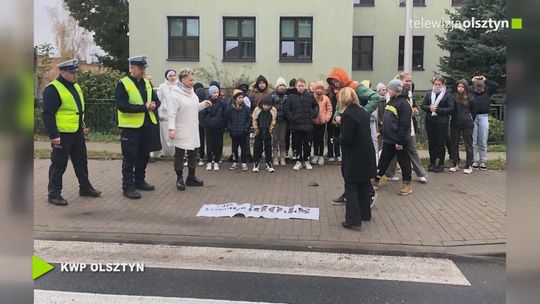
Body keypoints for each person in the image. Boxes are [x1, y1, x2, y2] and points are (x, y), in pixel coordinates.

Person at [42, 59, 101, 205]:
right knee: (59, 164)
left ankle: (85, 187)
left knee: (81, 161)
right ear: (62, 72)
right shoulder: (53, 89)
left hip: (76, 132)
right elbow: (48, 114)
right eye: (71, 72)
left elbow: (77, 110)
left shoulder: (75, 86)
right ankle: (54, 194)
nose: (75, 75)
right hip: (62, 134)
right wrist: (54, 135)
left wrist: (82, 126)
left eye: (75, 72)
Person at [326, 67, 382, 205]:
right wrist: (336, 117)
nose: (335, 84)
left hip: (358, 129)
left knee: (355, 164)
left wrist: (363, 112)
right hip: (347, 127)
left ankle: (368, 193)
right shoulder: (340, 92)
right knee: (347, 165)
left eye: (336, 80)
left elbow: (375, 97)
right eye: (333, 81)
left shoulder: (357, 87)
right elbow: (339, 109)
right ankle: (350, 193)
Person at [115, 56, 160, 199]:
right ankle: (127, 187)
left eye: (144, 68)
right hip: (131, 127)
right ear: (132, 68)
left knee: (144, 155)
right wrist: (143, 107)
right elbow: (122, 105)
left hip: (146, 125)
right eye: (141, 68)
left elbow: (156, 100)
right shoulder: (123, 84)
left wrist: (154, 105)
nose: (143, 71)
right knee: (130, 158)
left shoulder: (147, 82)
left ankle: (139, 180)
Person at [332, 87, 376, 229]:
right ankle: (365, 214)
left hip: (354, 157)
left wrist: (336, 140)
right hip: (367, 154)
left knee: (351, 187)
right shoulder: (362, 111)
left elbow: (348, 140)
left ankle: (353, 220)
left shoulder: (348, 115)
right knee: (363, 185)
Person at [167, 68, 212, 191]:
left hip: (192, 128)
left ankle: (191, 177)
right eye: (190, 79)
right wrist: (171, 129)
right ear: (183, 79)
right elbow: (172, 113)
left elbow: (192, 108)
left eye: (193, 79)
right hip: (180, 128)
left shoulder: (192, 93)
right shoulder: (174, 94)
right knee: (180, 154)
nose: (193, 82)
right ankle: (179, 178)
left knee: (194, 152)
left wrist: (203, 105)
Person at [385, 72, 428, 183]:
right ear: (401, 81)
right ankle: (389, 173)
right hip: (396, 128)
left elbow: (412, 107)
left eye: (410, 81)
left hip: (408, 127)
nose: (409, 83)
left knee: (412, 150)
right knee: (393, 152)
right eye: (407, 81)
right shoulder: (393, 92)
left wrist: (414, 112)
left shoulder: (409, 93)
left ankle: (420, 173)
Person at [372, 79, 413, 196]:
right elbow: (387, 120)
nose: (387, 91)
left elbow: (404, 124)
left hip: (400, 141)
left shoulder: (404, 104)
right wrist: (382, 132)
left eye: (389, 89)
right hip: (389, 139)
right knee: (384, 160)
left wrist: (399, 142)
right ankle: (376, 180)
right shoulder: (391, 102)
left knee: (404, 161)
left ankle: (407, 183)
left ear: (396, 90)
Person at [284, 78, 319, 170]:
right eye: (299, 86)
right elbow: (286, 109)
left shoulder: (309, 96)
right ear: (296, 86)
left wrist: (313, 114)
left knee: (307, 144)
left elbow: (315, 106)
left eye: (302, 86)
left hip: (308, 125)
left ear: (305, 86)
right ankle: (298, 161)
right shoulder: (291, 97)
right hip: (296, 126)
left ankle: (307, 160)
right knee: (297, 144)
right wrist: (292, 118)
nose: (301, 87)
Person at [421, 76, 454, 173]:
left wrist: (438, 110)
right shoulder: (429, 93)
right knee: (432, 143)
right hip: (430, 121)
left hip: (442, 122)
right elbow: (423, 106)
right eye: (435, 84)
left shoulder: (447, 95)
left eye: (439, 84)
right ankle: (432, 162)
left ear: (443, 85)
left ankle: (440, 164)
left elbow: (451, 108)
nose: (437, 86)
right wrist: (429, 108)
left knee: (440, 143)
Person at [471, 75, 499, 170]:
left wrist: (486, 79)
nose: (479, 90)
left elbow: (496, 85)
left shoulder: (487, 91)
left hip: (483, 117)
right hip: (473, 117)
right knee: (473, 141)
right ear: (474, 86)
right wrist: (472, 80)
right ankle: (473, 160)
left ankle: (483, 161)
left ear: (483, 86)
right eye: (477, 88)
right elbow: (461, 87)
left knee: (483, 140)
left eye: (481, 88)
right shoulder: (471, 91)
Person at [449, 79, 476, 174]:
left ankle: (469, 165)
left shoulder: (470, 98)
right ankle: (455, 163)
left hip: (467, 123)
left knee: (468, 145)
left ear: (465, 87)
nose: (460, 88)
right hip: (455, 122)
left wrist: (469, 118)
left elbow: (474, 112)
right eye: (458, 86)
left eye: (462, 87)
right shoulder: (453, 97)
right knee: (454, 144)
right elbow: (451, 109)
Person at [151, 69, 177, 159]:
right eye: (170, 76)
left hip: (175, 114)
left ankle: (175, 152)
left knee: (174, 134)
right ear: (166, 77)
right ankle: (165, 152)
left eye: (174, 75)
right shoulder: (162, 86)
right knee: (165, 134)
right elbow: (159, 100)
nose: (172, 77)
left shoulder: (179, 86)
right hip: (164, 114)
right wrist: (159, 113)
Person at [202, 85, 227, 171]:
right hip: (209, 127)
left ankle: (216, 162)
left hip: (219, 127)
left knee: (218, 145)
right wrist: (206, 123)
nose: (216, 94)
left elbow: (225, 114)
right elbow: (203, 114)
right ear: (210, 93)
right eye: (214, 93)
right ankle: (209, 162)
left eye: (217, 92)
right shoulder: (206, 102)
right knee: (209, 145)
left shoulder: (222, 103)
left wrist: (223, 124)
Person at [227, 89, 251, 171]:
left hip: (243, 133)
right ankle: (235, 162)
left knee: (244, 149)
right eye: (239, 97)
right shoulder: (230, 109)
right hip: (234, 133)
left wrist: (246, 128)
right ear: (235, 98)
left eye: (242, 97)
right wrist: (230, 129)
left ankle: (244, 163)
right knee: (234, 148)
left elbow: (249, 120)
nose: (241, 99)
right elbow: (228, 120)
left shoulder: (247, 109)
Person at [252, 96, 277, 172]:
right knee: (257, 147)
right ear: (262, 104)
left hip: (267, 131)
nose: (266, 107)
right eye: (264, 105)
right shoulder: (257, 109)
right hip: (259, 130)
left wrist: (270, 129)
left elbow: (273, 120)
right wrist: (256, 129)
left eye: (268, 105)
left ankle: (268, 163)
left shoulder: (273, 110)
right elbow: (254, 119)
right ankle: (256, 163)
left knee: (268, 148)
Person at [311, 80, 333, 166]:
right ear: (315, 89)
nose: (319, 90)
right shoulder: (311, 98)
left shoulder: (326, 99)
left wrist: (326, 119)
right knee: (314, 139)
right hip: (313, 122)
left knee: (321, 139)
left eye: (321, 88)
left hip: (323, 123)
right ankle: (315, 154)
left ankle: (321, 156)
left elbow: (329, 109)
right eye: (317, 88)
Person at [270, 77, 289, 166]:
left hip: (284, 121)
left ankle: (282, 157)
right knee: (275, 139)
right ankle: (275, 156)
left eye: (283, 85)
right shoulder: (272, 95)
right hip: (275, 120)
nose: (282, 87)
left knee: (282, 139)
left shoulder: (287, 96)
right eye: (280, 85)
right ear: (277, 86)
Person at [194, 85, 207, 166]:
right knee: (199, 141)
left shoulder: (204, 103)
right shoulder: (194, 103)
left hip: (200, 126)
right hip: (196, 125)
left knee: (200, 141)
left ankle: (200, 155)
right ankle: (199, 156)